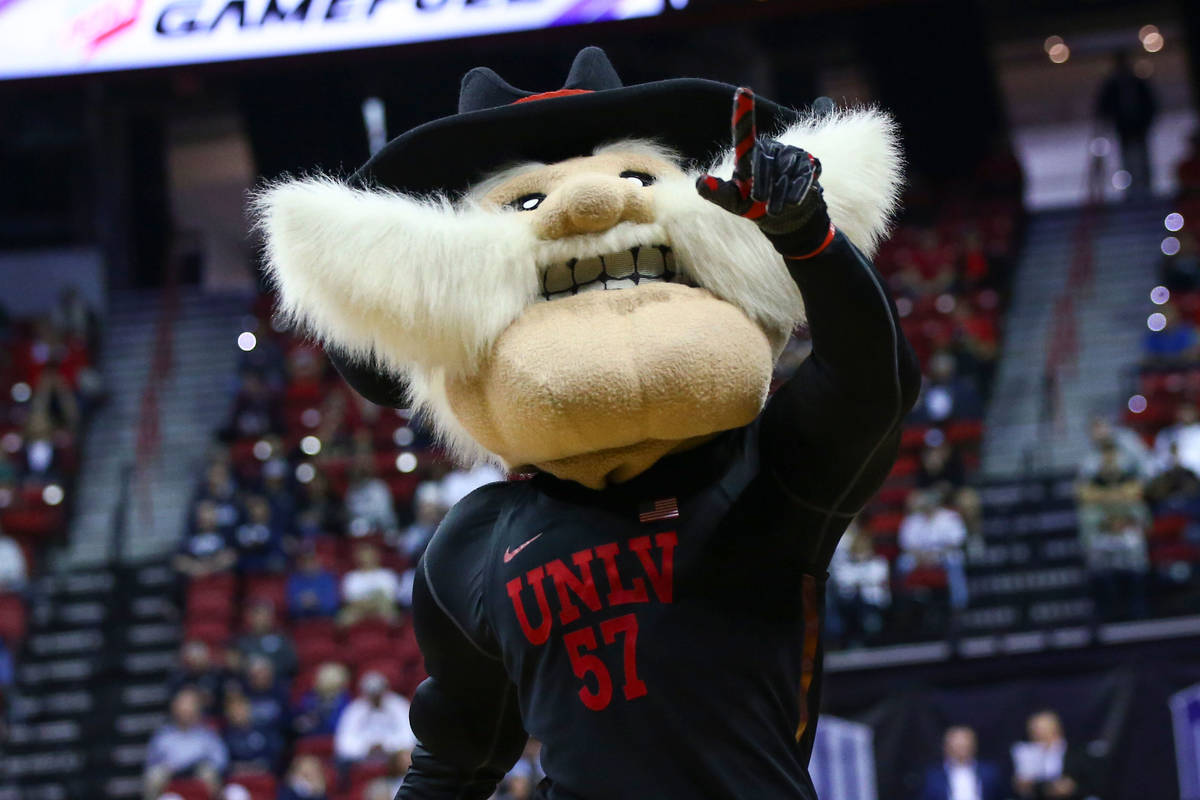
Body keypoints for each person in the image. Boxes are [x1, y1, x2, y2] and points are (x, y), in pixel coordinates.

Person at [257, 47, 918, 799]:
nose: (594, 203)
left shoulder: (769, 473)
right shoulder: (473, 545)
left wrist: (808, 237)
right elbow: (455, 762)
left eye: (635, 175)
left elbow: (872, 381)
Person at [1075, 441, 1149, 620]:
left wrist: (1112, 503)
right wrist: (1115, 501)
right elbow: (1084, 496)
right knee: (1095, 553)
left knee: (1136, 550)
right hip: (1102, 532)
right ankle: (1106, 609)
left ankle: (1137, 607)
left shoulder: (1128, 478)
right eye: (1105, 458)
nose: (1110, 462)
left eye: (1113, 457)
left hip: (1126, 531)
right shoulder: (1092, 481)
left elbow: (1136, 498)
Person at [143, 687, 228, 800]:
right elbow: (151, 761)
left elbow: (220, 760)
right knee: (154, 775)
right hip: (171, 773)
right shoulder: (163, 735)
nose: (186, 709)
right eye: (182, 704)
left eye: (190, 704)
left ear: (197, 708)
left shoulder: (207, 734)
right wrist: (169, 766)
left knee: (210, 773)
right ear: (174, 708)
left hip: (198, 772)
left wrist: (202, 764)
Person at [1096, 51, 1158, 199]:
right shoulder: (1113, 86)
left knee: (1141, 159)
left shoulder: (1137, 83)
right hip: (1125, 129)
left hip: (1139, 128)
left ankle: (1146, 188)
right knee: (1129, 159)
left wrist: (1146, 123)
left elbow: (1151, 104)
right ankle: (1133, 190)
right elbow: (1103, 106)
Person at [898, 489, 969, 611]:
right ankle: (905, 601)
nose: (928, 507)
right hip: (919, 557)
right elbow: (906, 545)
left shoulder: (950, 516)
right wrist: (921, 556)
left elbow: (957, 541)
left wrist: (936, 554)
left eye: (930, 504)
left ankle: (958, 604)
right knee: (902, 564)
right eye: (925, 504)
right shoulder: (912, 520)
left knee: (954, 562)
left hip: (943, 554)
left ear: (936, 503)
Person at [1011, 711, 1103, 800]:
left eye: (1043, 729)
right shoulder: (1025, 753)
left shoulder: (1078, 753)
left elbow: (1091, 783)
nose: (1039, 734)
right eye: (1034, 730)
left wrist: (1072, 788)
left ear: (1056, 728)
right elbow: (1022, 785)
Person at [826, 522, 890, 648]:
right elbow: (844, 583)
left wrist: (859, 581)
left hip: (874, 604)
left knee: (866, 610)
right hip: (851, 606)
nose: (861, 554)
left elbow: (878, 578)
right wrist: (865, 581)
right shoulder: (846, 567)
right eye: (858, 550)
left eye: (863, 549)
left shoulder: (879, 563)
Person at [333, 671, 416, 764]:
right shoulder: (355, 709)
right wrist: (366, 749)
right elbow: (344, 742)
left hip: (394, 757)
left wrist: (387, 747)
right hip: (361, 759)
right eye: (372, 694)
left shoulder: (399, 705)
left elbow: (409, 736)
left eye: (378, 693)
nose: (376, 697)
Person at [918, 726, 1005, 800]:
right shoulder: (931, 775)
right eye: (956, 747)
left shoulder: (990, 772)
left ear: (973, 747)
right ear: (946, 748)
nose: (960, 752)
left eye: (964, 746)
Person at [338, 541, 400, 626]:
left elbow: (390, 599)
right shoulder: (351, 577)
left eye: (370, 554)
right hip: (358, 610)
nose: (367, 557)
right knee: (342, 619)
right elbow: (351, 601)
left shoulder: (387, 575)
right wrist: (369, 604)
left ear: (377, 556)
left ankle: (393, 638)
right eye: (363, 554)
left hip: (382, 609)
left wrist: (372, 603)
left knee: (393, 616)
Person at [222, 691, 283, 773]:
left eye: (240, 708)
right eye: (233, 709)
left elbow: (274, 755)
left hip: (264, 773)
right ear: (228, 713)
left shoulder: (264, 730)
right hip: (239, 776)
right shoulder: (225, 736)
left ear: (249, 708)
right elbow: (227, 763)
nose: (237, 713)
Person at [173, 501, 237, 579]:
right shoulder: (190, 536)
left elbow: (233, 555)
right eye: (202, 512)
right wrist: (193, 567)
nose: (205, 517)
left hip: (222, 580)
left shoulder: (226, 534)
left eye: (209, 512)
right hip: (197, 579)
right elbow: (178, 560)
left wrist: (211, 566)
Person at [234, 600, 297, 677]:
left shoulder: (282, 638)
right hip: (248, 684)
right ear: (251, 618)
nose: (262, 618)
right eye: (259, 615)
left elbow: (291, 663)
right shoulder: (242, 640)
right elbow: (237, 664)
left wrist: (269, 668)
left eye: (266, 615)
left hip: (277, 682)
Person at [232, 494, 289, 574]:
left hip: (269, 575)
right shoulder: (242, 530)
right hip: (247, 574)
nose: (255, 512)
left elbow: (279, 555)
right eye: (252, 508)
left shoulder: (275, 531)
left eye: (259, 508)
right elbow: (239, 555)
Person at [292, 662, 351, 738]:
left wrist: (320, 720)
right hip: (308, 736)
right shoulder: (310, 697)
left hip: (332, 737)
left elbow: (339, 725)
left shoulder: (345, 701)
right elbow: (299, 715)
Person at [344, 457, 398, 537]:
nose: (356, 475)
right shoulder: (351, 491)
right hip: (360, 530)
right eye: (354, 473)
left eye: (359, 472)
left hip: (384, 528)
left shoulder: (378, 487)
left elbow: (383, 514)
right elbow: (350, 514)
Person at [287, 545, 340, 619]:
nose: (309, 565)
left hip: (325, 618)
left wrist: (317, 602)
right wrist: (302, 604)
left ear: (317, 561)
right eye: (305, 562)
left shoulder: (328, 578)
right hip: (301, 620)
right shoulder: (294, 580)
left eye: (311, 561)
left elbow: (333, 603)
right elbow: (291, 606)